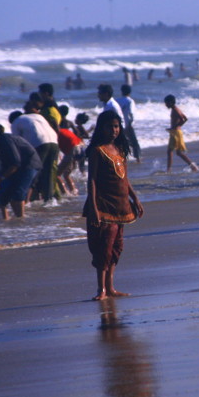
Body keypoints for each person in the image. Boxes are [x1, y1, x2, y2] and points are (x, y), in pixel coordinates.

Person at [84, 110, 143, 301]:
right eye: (110, 126)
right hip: (103, 204)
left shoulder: (120, 149)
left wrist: (135, 198)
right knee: (103, 247)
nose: (114, 130)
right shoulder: (97, 150)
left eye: (116, 126)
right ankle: (100, 289)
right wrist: (93, 207)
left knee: (117, 247)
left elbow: (125, 178)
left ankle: (110, 287)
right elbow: (91, 180)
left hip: (121, 204)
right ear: (101, 127)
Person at [0, 122, 42, 219]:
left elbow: (15, 163)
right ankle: (16, 219)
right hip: (21, 166)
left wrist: (1, 178)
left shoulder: (6, 141)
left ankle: (21, 220)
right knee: (8, 194)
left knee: (18, 194)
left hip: (30, 165)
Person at [11, 100, 60, 202]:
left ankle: (28, 200)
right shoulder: (39, 116)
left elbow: (16, 143)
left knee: (33, 172)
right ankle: (49, 200)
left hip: (39, 143)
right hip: (54, 141)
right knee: (49, 173)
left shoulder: (17, 121)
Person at [164, 95, 198, 172]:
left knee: (173, 152)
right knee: (175, 152)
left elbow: (184, 119)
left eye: (166, 103)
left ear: (171, 102)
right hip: (175, 132)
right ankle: (192, 166)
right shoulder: (175, 109)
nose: (166, 105)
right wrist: (173, 127)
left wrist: (176, 126)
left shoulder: (175, 110)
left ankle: (169, 169)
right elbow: (184, 117)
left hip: (176, 133)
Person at [118, 84, 142, 163]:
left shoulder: (117, 100)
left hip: (119, 125)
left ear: (121, 91)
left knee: (122, 142)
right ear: (130, 92)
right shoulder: (130, 101)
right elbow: (131, 113)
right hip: (128, 124)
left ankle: (122, 158)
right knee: (134, 142)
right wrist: (131, 123)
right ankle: (138, 159)